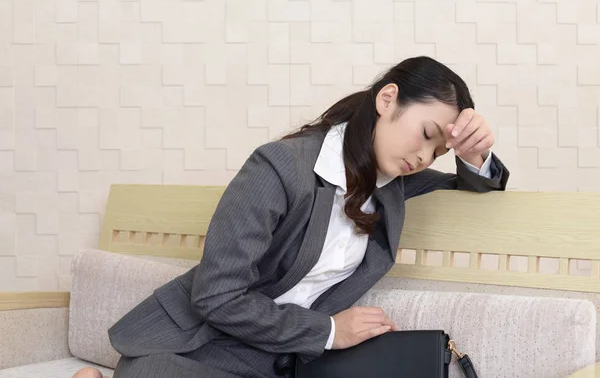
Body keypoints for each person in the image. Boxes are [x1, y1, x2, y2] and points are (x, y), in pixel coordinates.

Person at [72, 56, 509, 378]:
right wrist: (329, 331)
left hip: (282, 360)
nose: (424, 155)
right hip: (201, 348)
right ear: (388, 99)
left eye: (437, 152)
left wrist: (474, 156)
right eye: (427, 134)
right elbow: (216, 296)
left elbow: (472, 187)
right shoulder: (280, 168)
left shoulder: (393, 184)